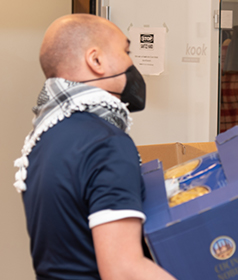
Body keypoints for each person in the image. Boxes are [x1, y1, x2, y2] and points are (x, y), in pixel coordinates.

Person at [13, 14, 176, 279]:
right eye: (126, 51)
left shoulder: (43, 138)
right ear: (96, 60)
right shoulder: (107, 144)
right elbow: (123, 270)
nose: (131, 62)